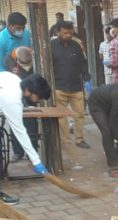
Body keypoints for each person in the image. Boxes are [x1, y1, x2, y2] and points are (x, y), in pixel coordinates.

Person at [0, 72, 52, 204]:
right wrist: (36, 161)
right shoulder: (13, 100)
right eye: (38, 97)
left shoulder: (13, 78)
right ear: (29, 91)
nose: (38, 101)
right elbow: (20, 132)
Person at [51, 21, 91, 149]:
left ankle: (79, 139)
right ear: (57, 32)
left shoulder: (76, 45)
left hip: (76, 87)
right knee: (62, 116)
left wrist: (87, 79)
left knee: (80, 114)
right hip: (59, 87)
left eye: (71, 32)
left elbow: (83, 63)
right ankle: (66, 141)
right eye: (65, 32)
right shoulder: (50, 45)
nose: (69, 35)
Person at [3, 47, 38, 163]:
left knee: (32, 125)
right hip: (15, 94)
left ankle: (32, 152)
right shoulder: (9, 61)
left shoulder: (34, 56)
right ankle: (18, 152)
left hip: (30, 93)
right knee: (16, 125)